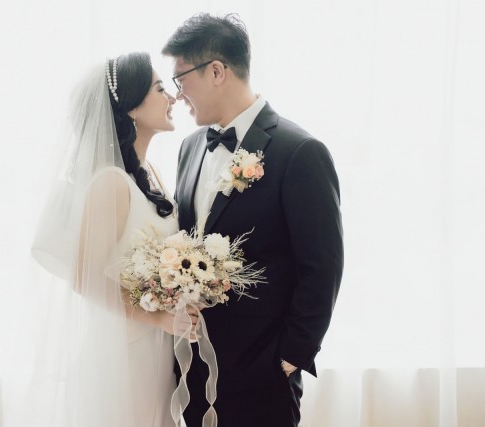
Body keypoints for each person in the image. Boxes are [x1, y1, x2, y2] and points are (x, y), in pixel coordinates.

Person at [162, 14, 344, 427]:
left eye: (181, 79)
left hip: (263, 374)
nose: (177, 94)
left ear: (216, 72)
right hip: (191, 370)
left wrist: (291, 357)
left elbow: (322, 267)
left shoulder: (299, 151)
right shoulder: (190, 147)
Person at [28, 52, 192, 427]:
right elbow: (84, 278)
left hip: (155, 347)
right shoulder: (111, 183)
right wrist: (158, 318)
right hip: (123, 352)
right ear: (131, 108)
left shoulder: (148, 174)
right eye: (160, 88)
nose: (172, 97)